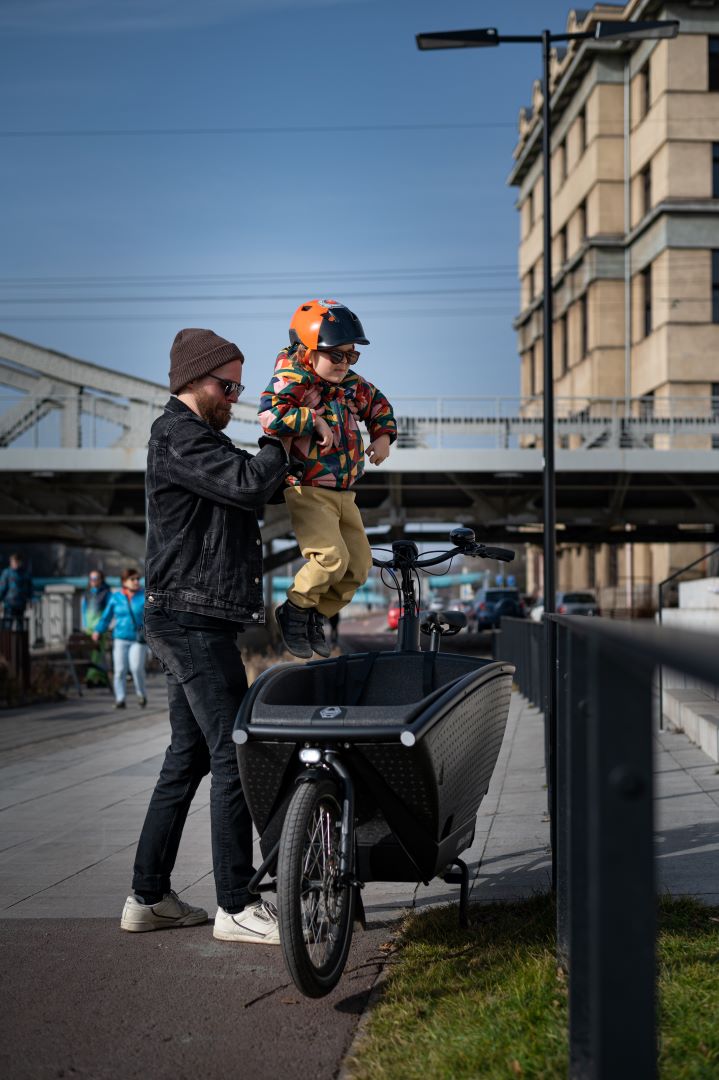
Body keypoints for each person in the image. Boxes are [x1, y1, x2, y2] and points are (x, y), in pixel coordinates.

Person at [119, 327, 290, 945]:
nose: (236, 397)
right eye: (229, 385)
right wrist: (280, 435)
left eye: (240, 386)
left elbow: (243, 482)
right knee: (235, 748)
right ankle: (236, 903)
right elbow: (250, 483)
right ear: (195, 379)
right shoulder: (179, 435)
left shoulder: (193, 440)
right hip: (190, 619)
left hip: (193, 614)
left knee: (187, 757)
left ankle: (149, 896)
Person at [258, 299, 396, 658]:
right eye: (336, 356)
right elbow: (270, 416)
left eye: (351, 357)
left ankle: (314, 616)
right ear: (309, 349)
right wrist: (312, 420)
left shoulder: (349, 384)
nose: (344, 365)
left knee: (359, 565)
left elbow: (377, 403)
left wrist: (383, 435)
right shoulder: (294, 378)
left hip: (344, 491)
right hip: (309, 488)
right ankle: (295, 609)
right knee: (330, 558)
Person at [92, 568, 147, 708]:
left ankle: (141, 695)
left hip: (138, 639)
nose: (136, 582)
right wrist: (98, 630)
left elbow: (152, 617)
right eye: (132, 579)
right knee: (120, 671)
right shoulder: (116, 598)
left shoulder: (144, 596)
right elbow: (106, 617)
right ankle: (120, 699)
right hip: (120, 638)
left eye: (137, 579)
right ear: (124, 581)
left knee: (136, 668)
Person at [81, 569, 111, 688]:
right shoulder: (87, 593)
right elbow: (84, 610)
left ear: (101, 579)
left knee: (97, 653)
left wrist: (99, 628)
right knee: (94, 654)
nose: (93, 581)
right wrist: (85, 625)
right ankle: (100, 678)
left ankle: (91, 677)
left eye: (95, 578)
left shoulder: (106, 593)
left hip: (99, 628)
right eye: (91, 578)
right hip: (89, 628)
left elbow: (107, 613)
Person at [0, 553, 33, 631]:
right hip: (9, 605)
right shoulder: (7, 573)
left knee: (20, 627)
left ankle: (19, 643)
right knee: (7, 626)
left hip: (21, 604)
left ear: (20, 562)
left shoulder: (25, 574)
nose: (14, 564)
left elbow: (30, 588)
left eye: (16, 562)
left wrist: (31, 599)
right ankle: (6, 643)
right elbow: (2, 588)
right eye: (13, 562)